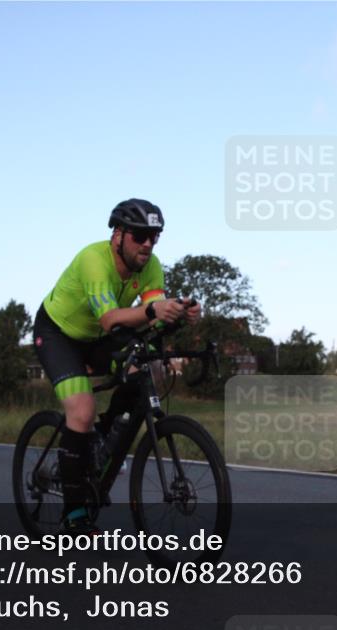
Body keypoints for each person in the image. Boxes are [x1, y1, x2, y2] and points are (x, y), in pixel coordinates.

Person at [32, 199, 200, 532]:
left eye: (155, 236)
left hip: (97, 337)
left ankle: (103, 441)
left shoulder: (151, 266)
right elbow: (111, 318)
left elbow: (152, 313)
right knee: (80, 410)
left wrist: (178, 313)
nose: (148, 244)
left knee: (141, 369)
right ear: (118, 235)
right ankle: (74, 511)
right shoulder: (94, 259)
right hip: (58, 334)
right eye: (140, 235)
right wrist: (153, 312)